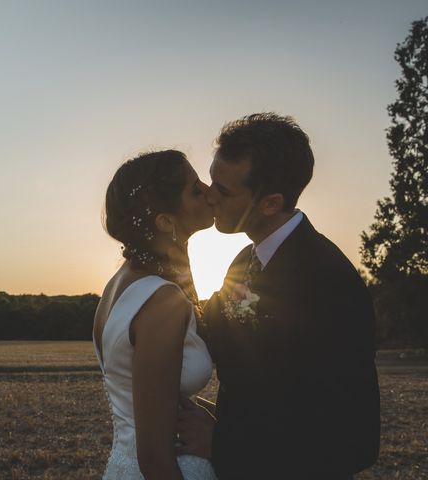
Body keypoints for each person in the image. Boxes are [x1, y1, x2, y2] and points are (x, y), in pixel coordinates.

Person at [177, 113, 381, 479]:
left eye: (223, 190)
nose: (209, 195)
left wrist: (223, 442)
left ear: (270, 203)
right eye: (211, 181)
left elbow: (354, 440)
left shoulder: (331, 282)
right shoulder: (242, 261)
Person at [93, 150, 217, 479]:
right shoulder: (162, 301)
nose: (209, 190)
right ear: (165, 221)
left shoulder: (116, 286)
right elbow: (154, 459)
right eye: (195, 189)